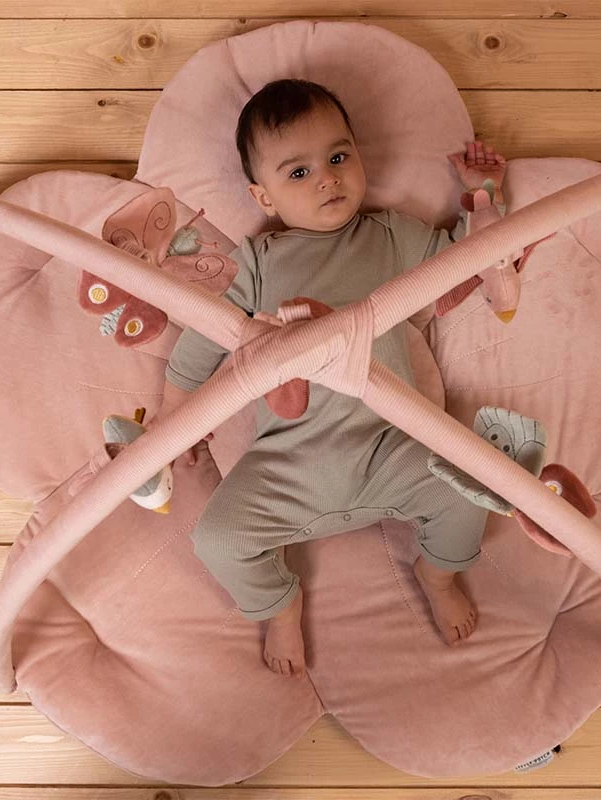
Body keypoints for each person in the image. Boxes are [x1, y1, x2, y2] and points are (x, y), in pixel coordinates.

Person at [156, 79, 507, 678]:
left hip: (389, 443)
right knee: (216, 539)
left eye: (339, 157)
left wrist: (484, 195)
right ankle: (279, 603)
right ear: (262, 196)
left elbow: (472, 258)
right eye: (299, 172)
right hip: (287, 462)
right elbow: (202, 339)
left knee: (473, 484)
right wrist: (173, 416)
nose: (327, 179)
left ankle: (437, 574)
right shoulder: (258, 262)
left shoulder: (391, 236)